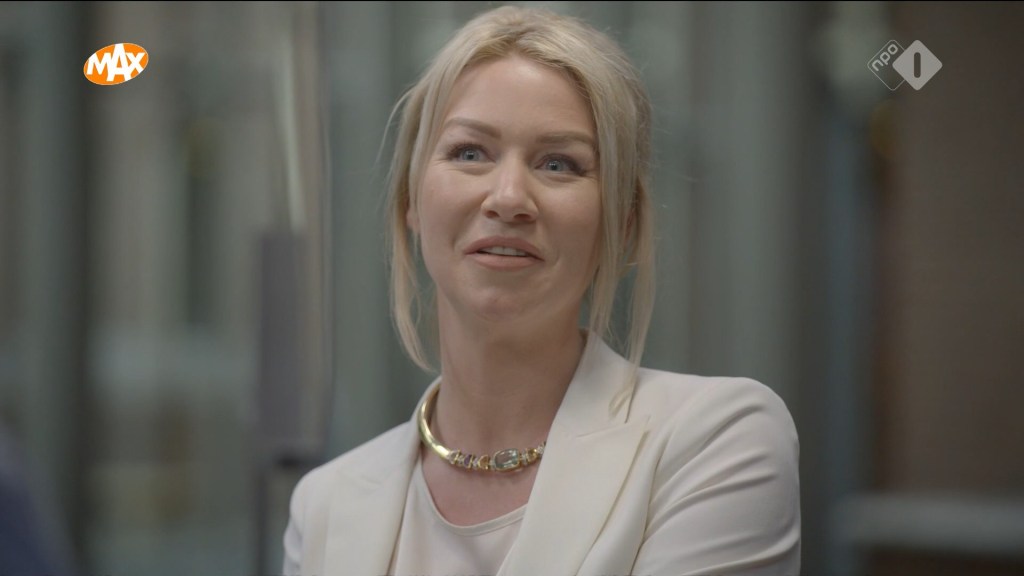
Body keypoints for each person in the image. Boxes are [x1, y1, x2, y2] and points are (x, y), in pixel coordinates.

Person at [282, 6, 800, 576]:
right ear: (411, 200)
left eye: (559, 164)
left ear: (623, 224)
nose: (508, 198)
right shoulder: (325, 506)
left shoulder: (716, 442)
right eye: (469, 153)